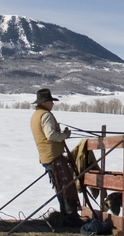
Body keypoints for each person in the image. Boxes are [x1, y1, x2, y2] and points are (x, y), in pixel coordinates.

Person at [30, 88, 82, 226]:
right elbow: (51, 135)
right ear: (46, 102)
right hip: (54, 157)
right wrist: (65, 135)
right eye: (51, 102)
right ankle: (71, 218)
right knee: (67, 186)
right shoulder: (46, 115)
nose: (53, 104)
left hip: (46, 156)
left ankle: (67, 215)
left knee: (61, 187)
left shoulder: (36, 115)